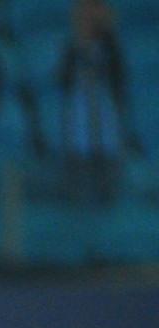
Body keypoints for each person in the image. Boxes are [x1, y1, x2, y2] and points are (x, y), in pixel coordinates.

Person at [55, 0, 137, 205]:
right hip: (78, 141)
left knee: (109, 203)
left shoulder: (113, 50)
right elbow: (62, 82)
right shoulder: (70, 50)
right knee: (79, 202)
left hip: (108, 141)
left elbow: (120, 87)